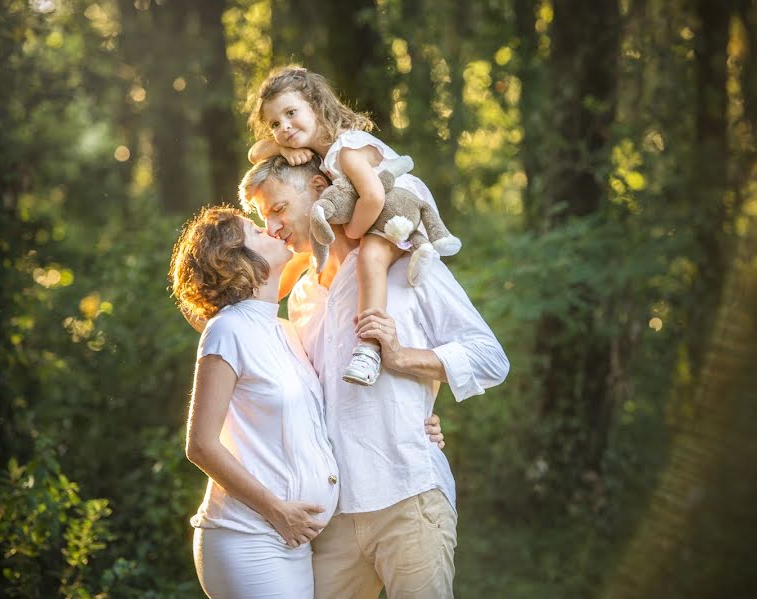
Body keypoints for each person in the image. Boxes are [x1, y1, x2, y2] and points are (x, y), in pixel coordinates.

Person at [240, 157, 510, 599]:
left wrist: (403, 359)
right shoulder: (301, 296)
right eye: (262, 217)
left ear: (318, 187)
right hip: (332, 516)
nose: (271, 227)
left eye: (278, 208)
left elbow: (489, 357)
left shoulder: (406, 263)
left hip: (408, 495)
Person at [169, 206, 445, 598]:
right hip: (249, 536)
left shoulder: (284, 329)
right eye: (255, 229)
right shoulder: (227, 329)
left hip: (295, 538)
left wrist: (421, 419)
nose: (269, 229)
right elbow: (200, 445)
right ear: (235, 258)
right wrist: (276, 511)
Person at [247, 65, 458, 387]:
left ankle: (369, 348)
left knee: (369, 257)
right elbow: (255, 153)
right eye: (275, 123)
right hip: (375, 208)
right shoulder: (315, 151)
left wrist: (355, 233)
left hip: (394, 206)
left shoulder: (346, 150)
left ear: (316, 106)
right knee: (317, 250)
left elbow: (373, 197)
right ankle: (259, 299)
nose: (285, 127)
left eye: (291, 113)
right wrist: (283, 147)